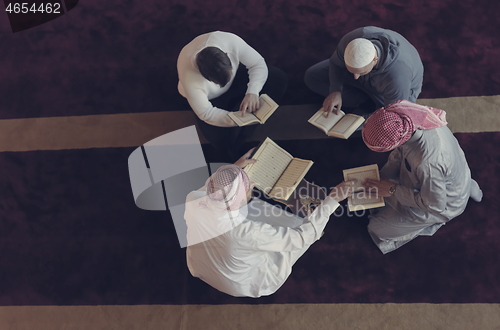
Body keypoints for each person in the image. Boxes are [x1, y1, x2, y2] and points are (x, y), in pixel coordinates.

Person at [184, 149, 353, 298]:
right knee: (297, 228)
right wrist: (333, 199)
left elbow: (212, 186)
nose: (253, 185)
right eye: (248, 188)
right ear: (234, 201)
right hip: (239, 282)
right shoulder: (246, 232)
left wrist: (234, 169)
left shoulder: (193, 199)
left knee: (258, 211)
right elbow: (302, 237)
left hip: (200, 265)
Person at [361, 100, 482, 254]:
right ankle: (464, 186)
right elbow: (400, 152)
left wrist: (392, 189)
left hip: (442, 203)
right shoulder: (412, 118)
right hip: (447, 177)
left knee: (377, 228)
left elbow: (435, 205)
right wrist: (384, 176)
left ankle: (445, 209)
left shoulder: (427, 163)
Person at [177, 31, 288, 159]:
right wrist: (238, 119)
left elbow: (257, 63)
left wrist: (252, 92)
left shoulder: (229, 40)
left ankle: (245, 119)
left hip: (235, 80)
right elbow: (206, 113)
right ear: (202, 74)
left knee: (279, 78)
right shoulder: (189, 79)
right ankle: (245, 124)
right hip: (211, 98)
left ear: (226, 55)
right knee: (221, 142)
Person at [304, 26, 423, 119]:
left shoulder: (398, 76)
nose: (355, 77)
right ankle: (362, 100)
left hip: (391, 91)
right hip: (374, 82)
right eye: (352, 70)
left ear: (374, 60)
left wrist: (358, 122)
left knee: (388, 123)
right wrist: (335, 91)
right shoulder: (351, 40)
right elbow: (335, 64)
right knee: (312, 76)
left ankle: (366, 106)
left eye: (361, 72)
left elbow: (391, 113)